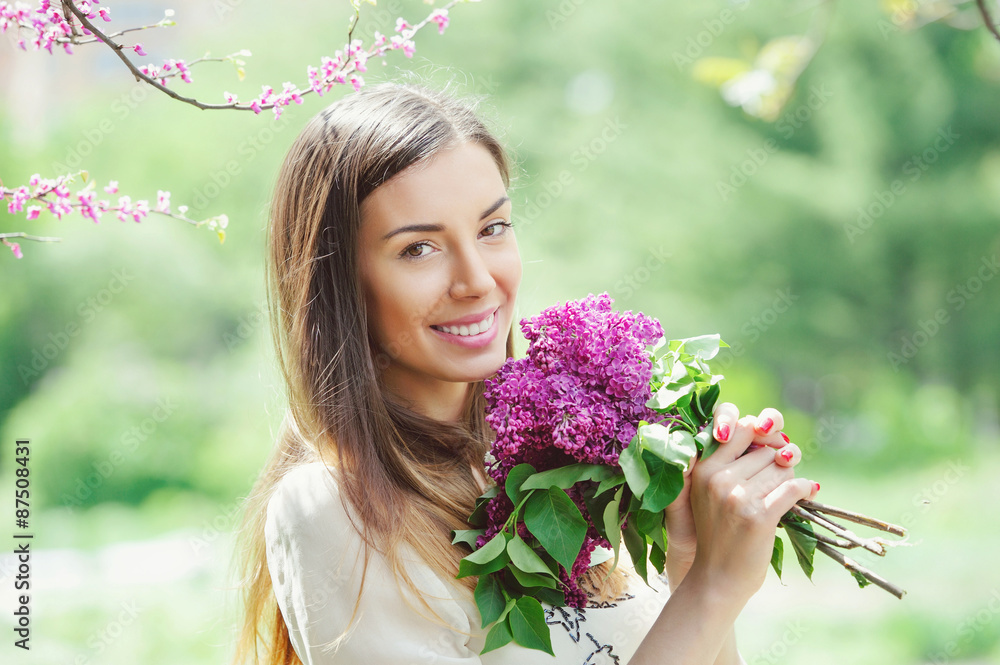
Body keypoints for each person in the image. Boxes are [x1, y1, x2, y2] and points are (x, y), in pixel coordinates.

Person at [231, 82, 819, 665]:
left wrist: (692, 558)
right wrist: (715, 589)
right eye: (418, 249)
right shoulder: (336, 509)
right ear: (340, 285)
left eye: (492, 229)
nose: (478, 280)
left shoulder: (547, 466)